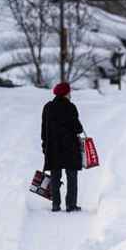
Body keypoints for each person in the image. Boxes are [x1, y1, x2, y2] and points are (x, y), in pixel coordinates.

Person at [41, 82, 84, 212]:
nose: (70, 95)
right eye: (69, 92)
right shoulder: (71, 107)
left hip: (53, 147)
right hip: (70, 147)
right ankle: (71, 205)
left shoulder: (48, 107)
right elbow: (78, 128)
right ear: (65, 93)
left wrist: (44, 144)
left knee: (55, 176)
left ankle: (55, 204)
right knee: (72, 176)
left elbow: (44, 129)